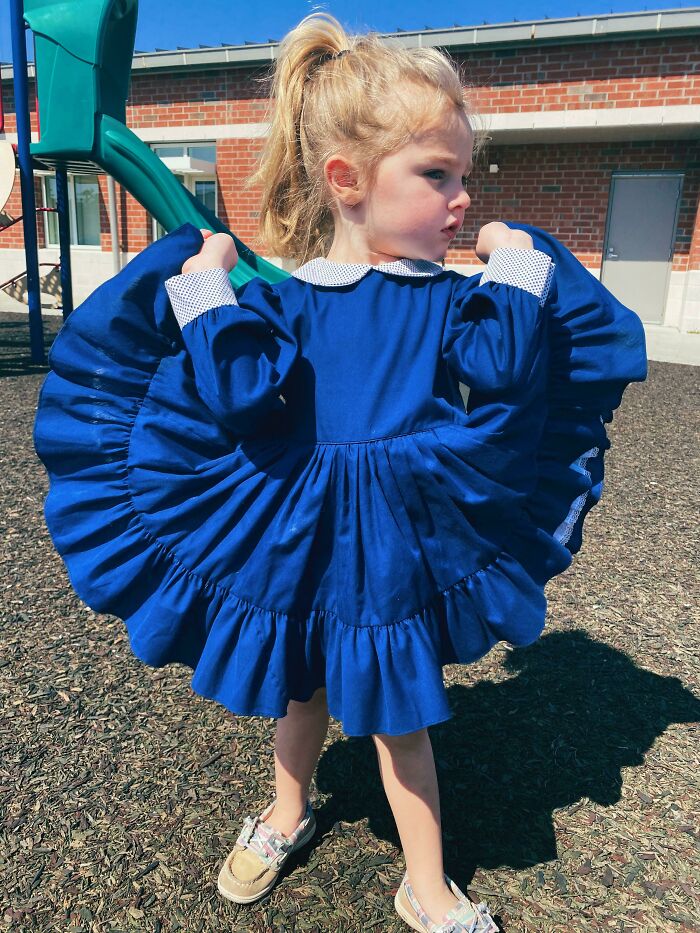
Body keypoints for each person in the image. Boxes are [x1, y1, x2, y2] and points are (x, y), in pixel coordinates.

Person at [34, 12, 647, 933]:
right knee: (302, 684)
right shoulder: (287, 297)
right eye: (436, 174)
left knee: (399, 708)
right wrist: (205, 282)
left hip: (397, 534)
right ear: (347, 181)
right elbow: (243, 394)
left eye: (463, 176)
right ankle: (286, 812)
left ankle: (427, 884)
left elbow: (505, 371)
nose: (459, 200)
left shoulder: (452, 298)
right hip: (298, 522)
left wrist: (518, 267)